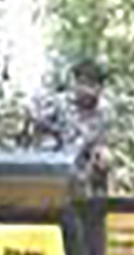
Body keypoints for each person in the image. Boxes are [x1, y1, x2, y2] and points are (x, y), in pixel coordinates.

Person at [30, 58, 112, 192]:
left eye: (93, 85)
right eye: (83, 84)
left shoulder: (103, 112)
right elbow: (37, 127)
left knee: (104, 160)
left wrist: (101, 151)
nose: (87, 90)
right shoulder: (57, 104)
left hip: (84, 170)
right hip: (55, 167)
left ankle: (96, 200)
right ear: (76, 83)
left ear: (100, 88)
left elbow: (100, 143)